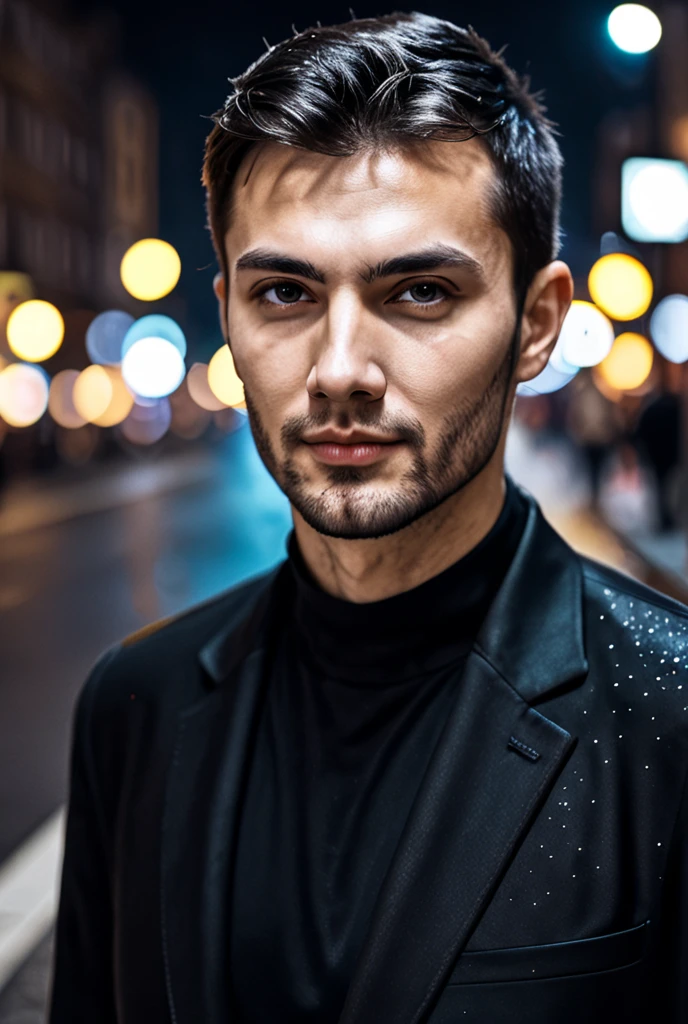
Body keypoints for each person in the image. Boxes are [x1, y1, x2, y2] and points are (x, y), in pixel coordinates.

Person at [48, 13, 688, 1024]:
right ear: (228, 311)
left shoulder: (671, 715)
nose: (340, 369)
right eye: (285, 293)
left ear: (535, 323)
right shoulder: (135, 708)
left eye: (420, 292)